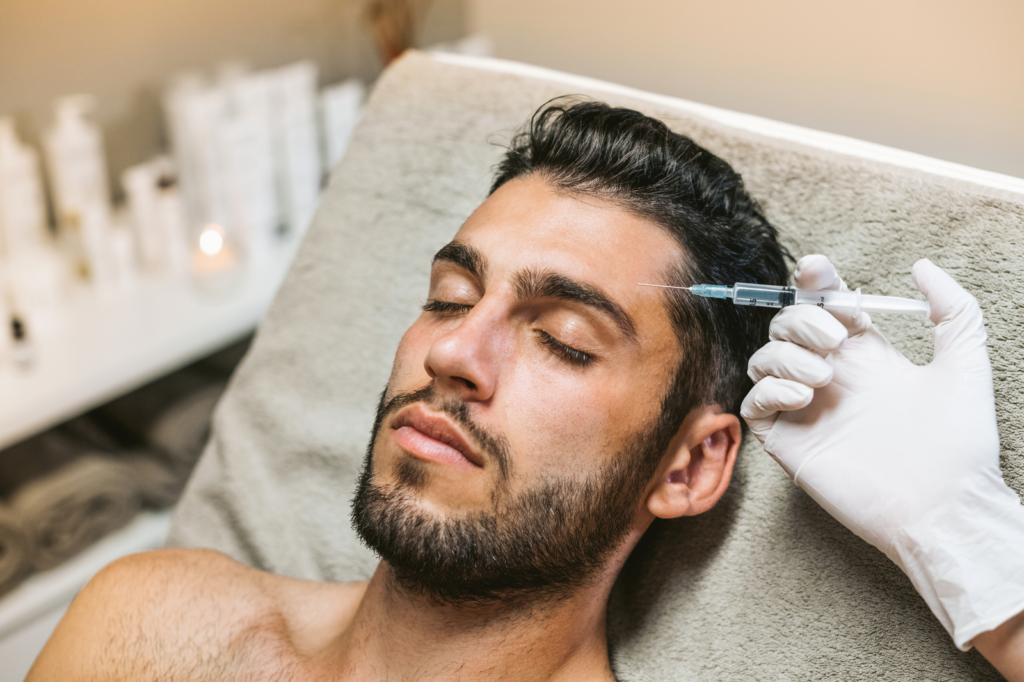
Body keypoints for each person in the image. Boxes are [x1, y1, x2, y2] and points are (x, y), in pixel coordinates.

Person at [24, 100, 1023, 680]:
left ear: (688, 463)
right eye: (451, 295)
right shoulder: (154, 625)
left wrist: (974, 548)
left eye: (562, 339)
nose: (456, 352)